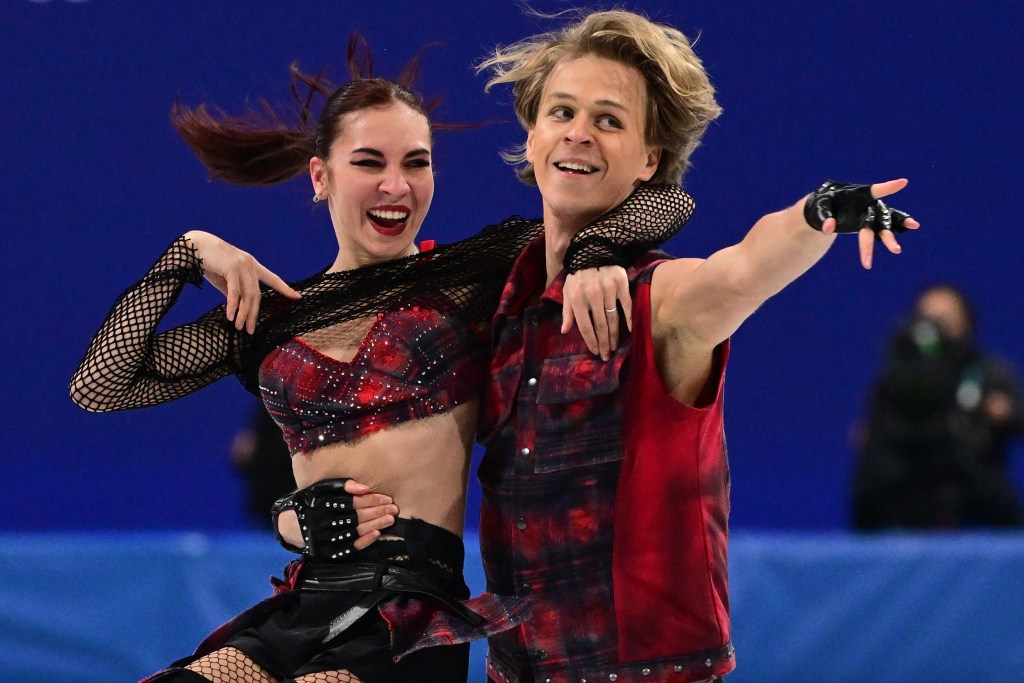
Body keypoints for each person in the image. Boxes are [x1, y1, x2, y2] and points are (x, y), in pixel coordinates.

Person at [68, 35, 691, 683]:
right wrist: (190, 252)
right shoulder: (274, 314)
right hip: (304, 604)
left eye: (416, 163)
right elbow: (100, 384)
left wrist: (593, 254)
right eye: (370, 162)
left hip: (409, 617)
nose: (397, 186)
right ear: (321, 176)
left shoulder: (468, 274)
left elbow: (664, 199)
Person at [460, 9, 921, 683]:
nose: (579, 133)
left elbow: (742, 268)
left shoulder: (660, 300)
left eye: (609, 119)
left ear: (650, 159)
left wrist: (818, 213)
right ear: (532, 138)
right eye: (562, 112)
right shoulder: (499, 303)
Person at [852, 283, 1024, 529]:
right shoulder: (898, 377)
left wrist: (1006, 413)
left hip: (965, 478)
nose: (935, 326)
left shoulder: (986, 372)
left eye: (944, 318)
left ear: (966, 322)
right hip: (906, 480)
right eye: (927, 317)